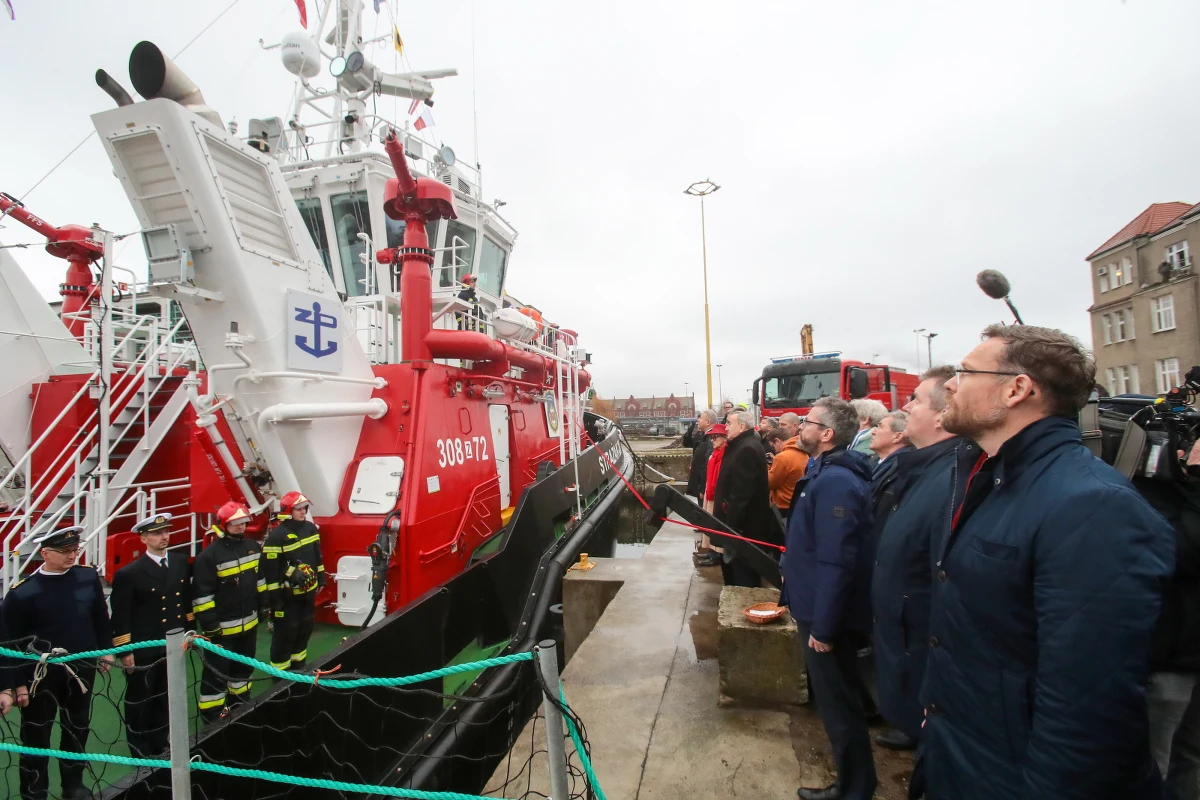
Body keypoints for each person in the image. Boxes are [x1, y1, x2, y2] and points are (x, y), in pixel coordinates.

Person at [923, 324, 1174, 799]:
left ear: (1018, 389)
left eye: (965, 371)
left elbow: (1089, 710)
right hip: (965, 757)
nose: (950, 383)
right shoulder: (991, 479)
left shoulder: (1094, 506)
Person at [870, 367, 979, 775]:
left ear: (940, 417)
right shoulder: (923, 470)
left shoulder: (952, 479)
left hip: (919, 645)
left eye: (914, 399)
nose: (905, 407)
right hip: (904, 639)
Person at [780, 397, 877, 800]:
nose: (801, 425)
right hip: (812, 604)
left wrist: (824, 625)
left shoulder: (836, 481)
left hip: (823, 616)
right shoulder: (824, 471)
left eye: (808, 421)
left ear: (827, 434)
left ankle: (854, 789)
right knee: (836, 700)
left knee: (838, 704)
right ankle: (855, 781)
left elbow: (838, 560)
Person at [0, 527, 114, 800]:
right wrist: (12, 686)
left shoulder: (87, 578)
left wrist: (106, 650)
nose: (72, 555)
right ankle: (34, 792)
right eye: (64, 551)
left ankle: (73, 785)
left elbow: (100, 617)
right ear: (44, 554)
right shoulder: (22, 594)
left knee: (77, 728)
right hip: (40, 676)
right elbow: (7, 644)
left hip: (81, 667)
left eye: (75, 550)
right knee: (36, 736)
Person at [1139, 438, 1200, 800]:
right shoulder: (1149, 489)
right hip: (1169, 661)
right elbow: (1182, 552)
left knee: (1191, 760)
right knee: (1154, 765)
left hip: (1190, 652)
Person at [110, 513, 193, 758]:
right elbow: (121, 615)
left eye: (166, 531)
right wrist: (125, 650)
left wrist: (189, 632)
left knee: (166, 695)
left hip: (173, 643)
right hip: (144, 646)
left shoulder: (179, 562)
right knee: (140, 698)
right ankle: (139, 747)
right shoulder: (130, 573)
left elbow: (184, 601)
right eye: (157, 533)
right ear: (144, 538)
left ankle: (160, 739)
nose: (164, 537)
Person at [193, 501, 266, 722]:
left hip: (249, 627)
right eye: (235, 523)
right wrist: (211, 627)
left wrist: (264, 606)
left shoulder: (253, 547)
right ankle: (212, 716)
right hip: (221, 633)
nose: (240, 527)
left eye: (243, 522)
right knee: (217, 675)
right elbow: (202, 597)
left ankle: (240, 706)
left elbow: (260, 581)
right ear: (223, 525)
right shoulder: (209, 556)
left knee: (243, 671)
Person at [712, 410, 777, 587]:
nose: (725, 427)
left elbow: (741, 494)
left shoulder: (746, 448)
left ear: (741, 426)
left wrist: (731, 527)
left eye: (729, 424)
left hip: (744, 529)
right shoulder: (742, 445)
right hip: (741, 526)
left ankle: (741, 603)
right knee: (736, 570)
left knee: (743, 573)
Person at [262, 492, 325, 671]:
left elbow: (317, 557)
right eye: (298, 509)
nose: (303, 512)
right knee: (285, 633)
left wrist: (321, 579)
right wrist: (276, 600)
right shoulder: (277, 536)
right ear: (288, 511)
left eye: (304, 508)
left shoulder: (311, 529)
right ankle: (280, 672)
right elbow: (270, 569)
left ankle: (299, 666)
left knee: (304, 629)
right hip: (287, 596)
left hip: (308, 592)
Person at [683, 410, 719, 565]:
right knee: (706, 518)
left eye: (701, 419)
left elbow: (708, 464)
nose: (698, 421)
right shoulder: (703, 436)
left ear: (709, 422)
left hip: (705, 484)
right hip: (702, 481)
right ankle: (710, 550)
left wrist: (703, 487)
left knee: (710, 517)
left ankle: (713, 552)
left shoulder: (712, 438)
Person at [765, 427, 808, 523]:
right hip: (795, 503)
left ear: (777, 441)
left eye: (773, 446)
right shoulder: (803, 453)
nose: (774, 450)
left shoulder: (782, 457)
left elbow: (771, 483)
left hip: (782, 506)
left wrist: (768, 466)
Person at [701, 423, 729, 566]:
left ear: (725, 438)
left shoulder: (724, 453)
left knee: (715, 523)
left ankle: (716, 553)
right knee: (709, 522)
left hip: (715, 493)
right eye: (712, 438)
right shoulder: (715, 452)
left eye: (716, 437)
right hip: (710, 490)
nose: (712, 440)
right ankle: (712, 550)